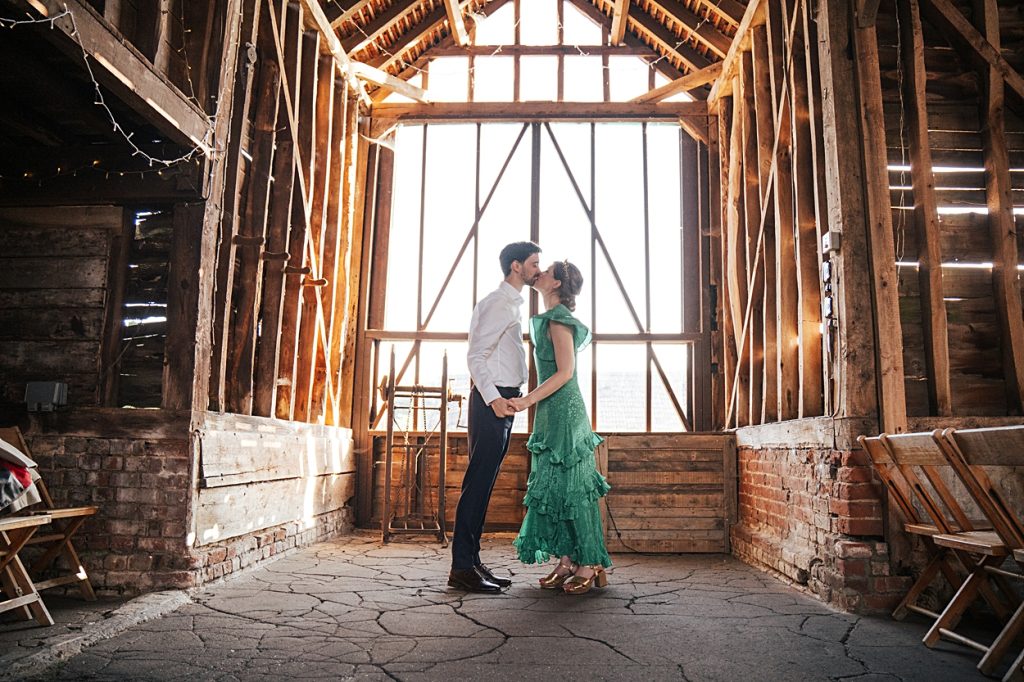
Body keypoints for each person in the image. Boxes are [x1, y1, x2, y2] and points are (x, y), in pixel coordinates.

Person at [511, 260, 611, 595]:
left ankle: (590, 563)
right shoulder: (546, 318)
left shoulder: (558, 320)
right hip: (550, 411)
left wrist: (526, 401)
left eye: (547, 270)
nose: (538, 273)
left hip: (565, 411)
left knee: (574, 488)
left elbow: (565, 371)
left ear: (555, 284)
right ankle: (567, 560)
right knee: (554, 487)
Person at [448, 241, 542, 593]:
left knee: (485, 485)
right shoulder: (496, 303)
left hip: (505, 401)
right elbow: (475, 356)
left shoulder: (511, 305)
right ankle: (461, 567)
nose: (538, 269)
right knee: (477, 484)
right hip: (494, 402)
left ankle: (471, 562)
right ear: (516, 266)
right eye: (534, 263)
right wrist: (493, 400)